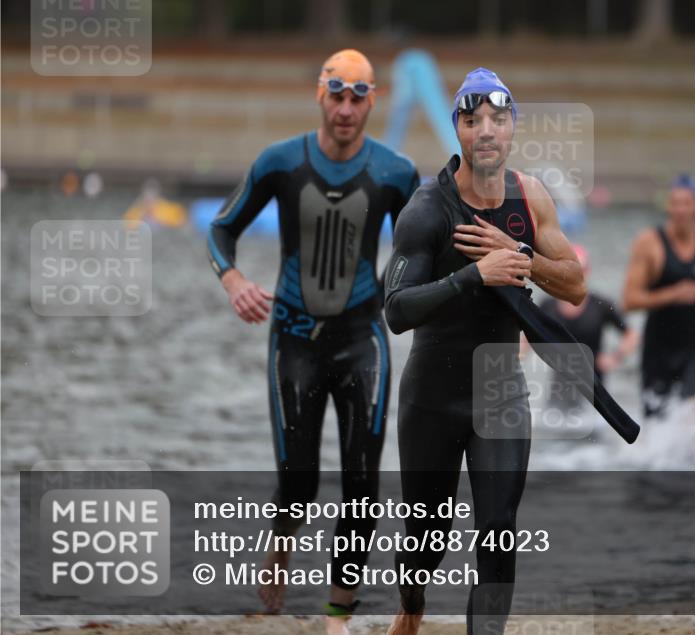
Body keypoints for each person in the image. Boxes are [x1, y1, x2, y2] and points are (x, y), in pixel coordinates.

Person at [207, 49, 419, 634]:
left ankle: (336, 617)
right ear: (319, 95)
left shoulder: (396, 173)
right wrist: (233, 280)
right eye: (336, 94)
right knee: (298, 484)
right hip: (294, 339)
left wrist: (395, 290)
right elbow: (222, 227)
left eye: (358, 96)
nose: (346, 108)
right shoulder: (280, 162)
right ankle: (281, 539)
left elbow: (423, 244)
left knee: (361, 483)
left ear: (372, 100)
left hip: (363, 339)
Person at [382, 67, 585, 635]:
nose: (486, 131)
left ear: (513, 126)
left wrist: (517, 254)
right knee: (425, 543)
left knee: (498, 525)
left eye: (498, 119)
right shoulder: (427, 211)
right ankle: (413, 604)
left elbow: (574, 284)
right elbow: (395, 309)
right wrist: (475, 275)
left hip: (500, 389)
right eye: (473, 121)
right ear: (459, 131)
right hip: (432, 395)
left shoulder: (531, 197)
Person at [620, 174, 695, 419]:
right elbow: (629, 301)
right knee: (658, 430)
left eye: (687, 203)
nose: (681, 210)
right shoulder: (649, 243)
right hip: (658, 352)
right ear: (668, 206)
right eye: (675, 203)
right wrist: (672, 294)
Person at [535, 243, 639, 413]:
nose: (576, 276)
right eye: (570, 271)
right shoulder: (548, 305)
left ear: (588, 272)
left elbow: (631, 335)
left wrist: (615, 358)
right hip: (559, 390)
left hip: (594, 390)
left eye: (581, 270)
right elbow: (526, 339)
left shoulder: (600, 305)